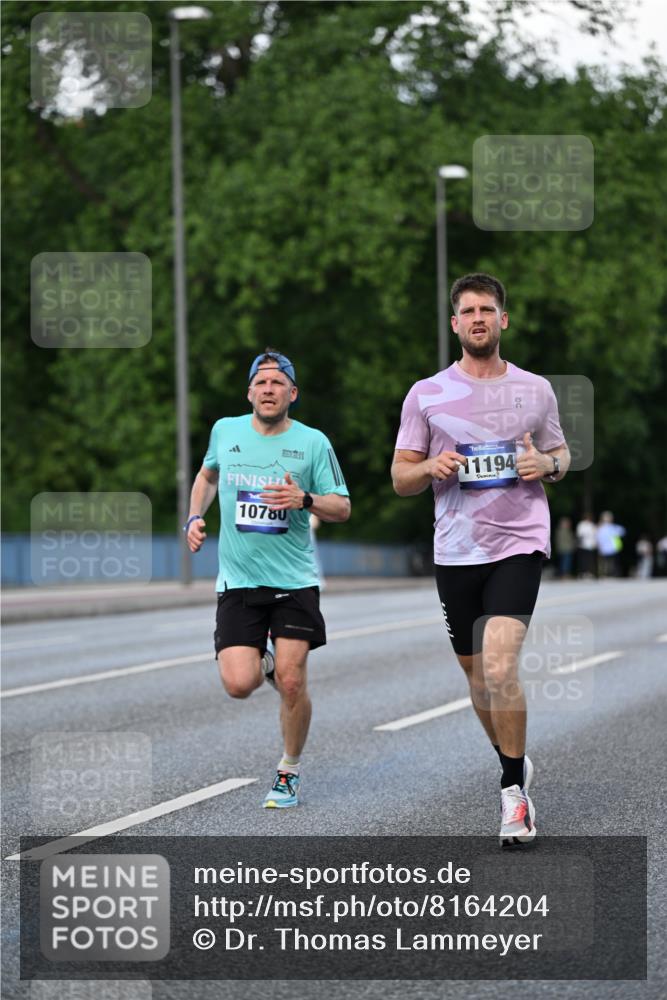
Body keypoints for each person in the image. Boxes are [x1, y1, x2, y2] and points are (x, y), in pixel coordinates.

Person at [391, 272, 570, 848]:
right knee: (476, 678)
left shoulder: (535, 389)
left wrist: (548, 465)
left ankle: (513, 794)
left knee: (498, 667)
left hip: (518, 543)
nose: (477, 319)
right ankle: (513, 759)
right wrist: (428, 470)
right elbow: (400, 477)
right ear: (454, 324)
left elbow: (560, 452)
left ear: (503, 320)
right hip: (456, 549)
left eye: (487, 310)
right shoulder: (426, 394)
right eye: (467, 311)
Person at [185, 349, 351, 808]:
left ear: (292, 394)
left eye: (278, 383)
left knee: (294, 684)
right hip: (238, 581)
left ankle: (288, 771)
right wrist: (194, 517)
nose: (269, 389)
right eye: (261, 383)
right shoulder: (226, 431)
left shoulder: (313, 443)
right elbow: (207, 476)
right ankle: (270, 664)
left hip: (294, 580)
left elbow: (342, 507)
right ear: (249, 392)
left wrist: (304, 499)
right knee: (239, 684)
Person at [597, 511, 625, 578]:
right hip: (606, 548)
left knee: (613, 562)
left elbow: (622, 532)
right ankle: (606, 574)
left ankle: (612, 574)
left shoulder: (613, 527)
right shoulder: (601, 528)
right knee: (606, 562)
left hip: (613, 548)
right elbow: (598, 538)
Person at [575, 512, 598, 579]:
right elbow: (579, 534)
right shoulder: (581, 525)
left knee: (590, 560)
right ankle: (582, 573)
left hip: (590, 545)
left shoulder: (592, 525)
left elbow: (595, 535)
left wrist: (595, 543)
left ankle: (589, 572)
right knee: (583, 560)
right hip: (583, 545)